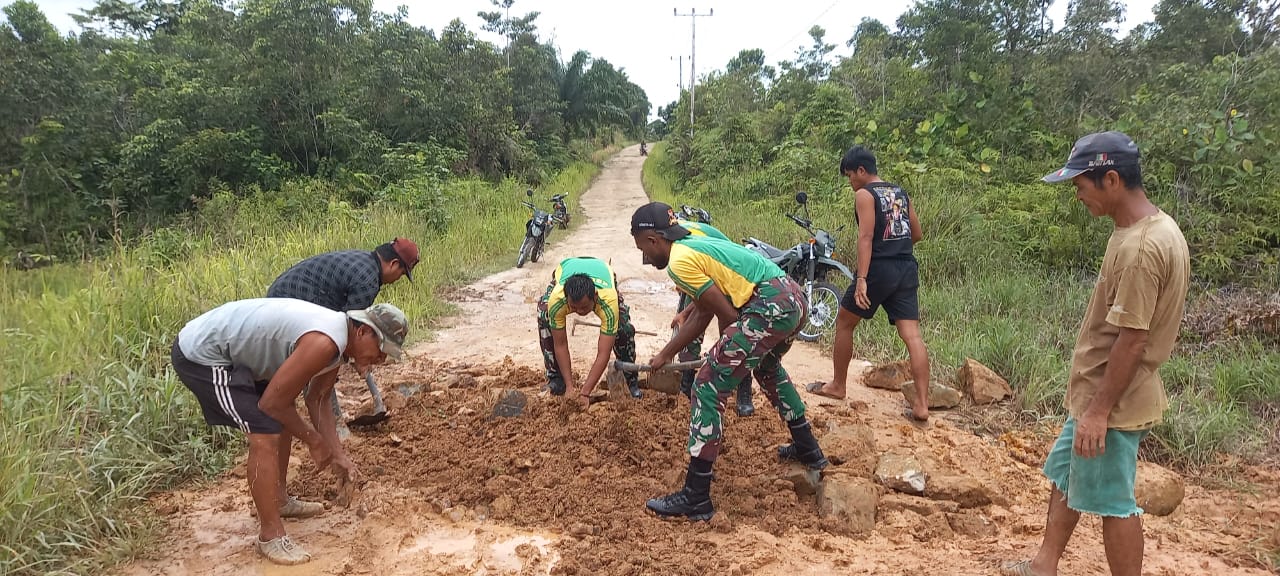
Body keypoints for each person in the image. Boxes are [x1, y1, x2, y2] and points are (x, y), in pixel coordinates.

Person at [1001, 131, 1190, 576]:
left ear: (1110, 180)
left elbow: (1134, 340)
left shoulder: (1142, 249)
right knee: (1065, 474)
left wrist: (1099, 412)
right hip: (1098, 395)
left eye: (1079, 185)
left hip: (1115, 401)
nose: (1077, 195)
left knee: (1114, 503)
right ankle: (1043, 565)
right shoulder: (1143, 231)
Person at [171, 299, 409, 565]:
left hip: (235, 356)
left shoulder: (340, 347)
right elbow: (271, 404)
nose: (381, 358)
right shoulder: (325, 342)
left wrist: (338, 454)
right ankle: (270, 536)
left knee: (282, 415)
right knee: (265, 433)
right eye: (381, 348)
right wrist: (313, 440)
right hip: (202, 354)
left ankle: (280, 500)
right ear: (363, 331)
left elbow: (317, 398)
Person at [631, 202, 827, 521]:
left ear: (654, 239)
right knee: (768, 368)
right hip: (791, 296)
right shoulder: (694, 232)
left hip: (766, 306)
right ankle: (809, 449)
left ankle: (696, 497)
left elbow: (720, 313)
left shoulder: (678, 262)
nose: (644, 256)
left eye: (643, 248)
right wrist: (692, 310)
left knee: (707, 385)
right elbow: (720, 274)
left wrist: (667, 354)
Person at [808, 146, 931, 424]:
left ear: (861, 171)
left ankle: (838, 385)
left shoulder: (865, 195)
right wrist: (897, 250)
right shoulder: (900, 192)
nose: (850, 181)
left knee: (844, 322)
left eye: (850, 175)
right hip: (906, 266)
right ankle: (922, 405)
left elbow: (865, 237)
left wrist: (862, 279)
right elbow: (917, 233)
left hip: (877, 269)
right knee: (912, 335)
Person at [267, 238, 419, 427]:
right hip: (288, 303)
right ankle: (333, 425)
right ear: (394, 264)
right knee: (326, 355)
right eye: (402, 272)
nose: (398, 278)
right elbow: (350, 335)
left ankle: (327, 422)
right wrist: (361, 361)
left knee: (328, 354)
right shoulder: (367, 282)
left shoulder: (365, 264)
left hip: (285, 296)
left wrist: (360, 358)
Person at [670, 216, 756, 417]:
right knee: (687, 329)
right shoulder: (673, 244)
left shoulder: (684, 246)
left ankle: (744, 390)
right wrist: (684, 313)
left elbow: (710, 295)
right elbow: (697, 294)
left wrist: (688, 313)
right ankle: (686, 385)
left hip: (731, 276)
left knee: (731, 333)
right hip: (704, 274)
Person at [537, 256, 640, 405]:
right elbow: (560, 344)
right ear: (566, 300)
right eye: (574, 307)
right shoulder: (557, 300)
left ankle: (630, 379)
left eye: (584, 307)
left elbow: (603, 352)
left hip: (602, 271)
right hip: (567, 268)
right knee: (544, 315)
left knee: (623, 328)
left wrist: (585, 392)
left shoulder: (608, 301)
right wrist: (570, 387)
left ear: (595, 297)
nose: (579, 311)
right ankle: (556, 378)